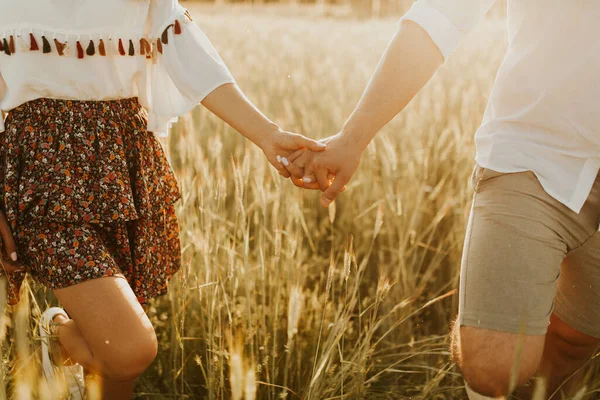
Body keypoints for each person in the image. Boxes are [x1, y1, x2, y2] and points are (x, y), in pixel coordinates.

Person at [0, 1, 325, 399]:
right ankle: (57, 333)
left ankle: (66, 354)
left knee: (115, 367)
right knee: (129, 348)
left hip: (126, 163)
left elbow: (192, 57)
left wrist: (268, 135)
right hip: (42, 175)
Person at [282, 0, 600, 398]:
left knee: (575, 341)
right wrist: (353, 137)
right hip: (536, 150)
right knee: (491, 362)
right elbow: (440, 14)